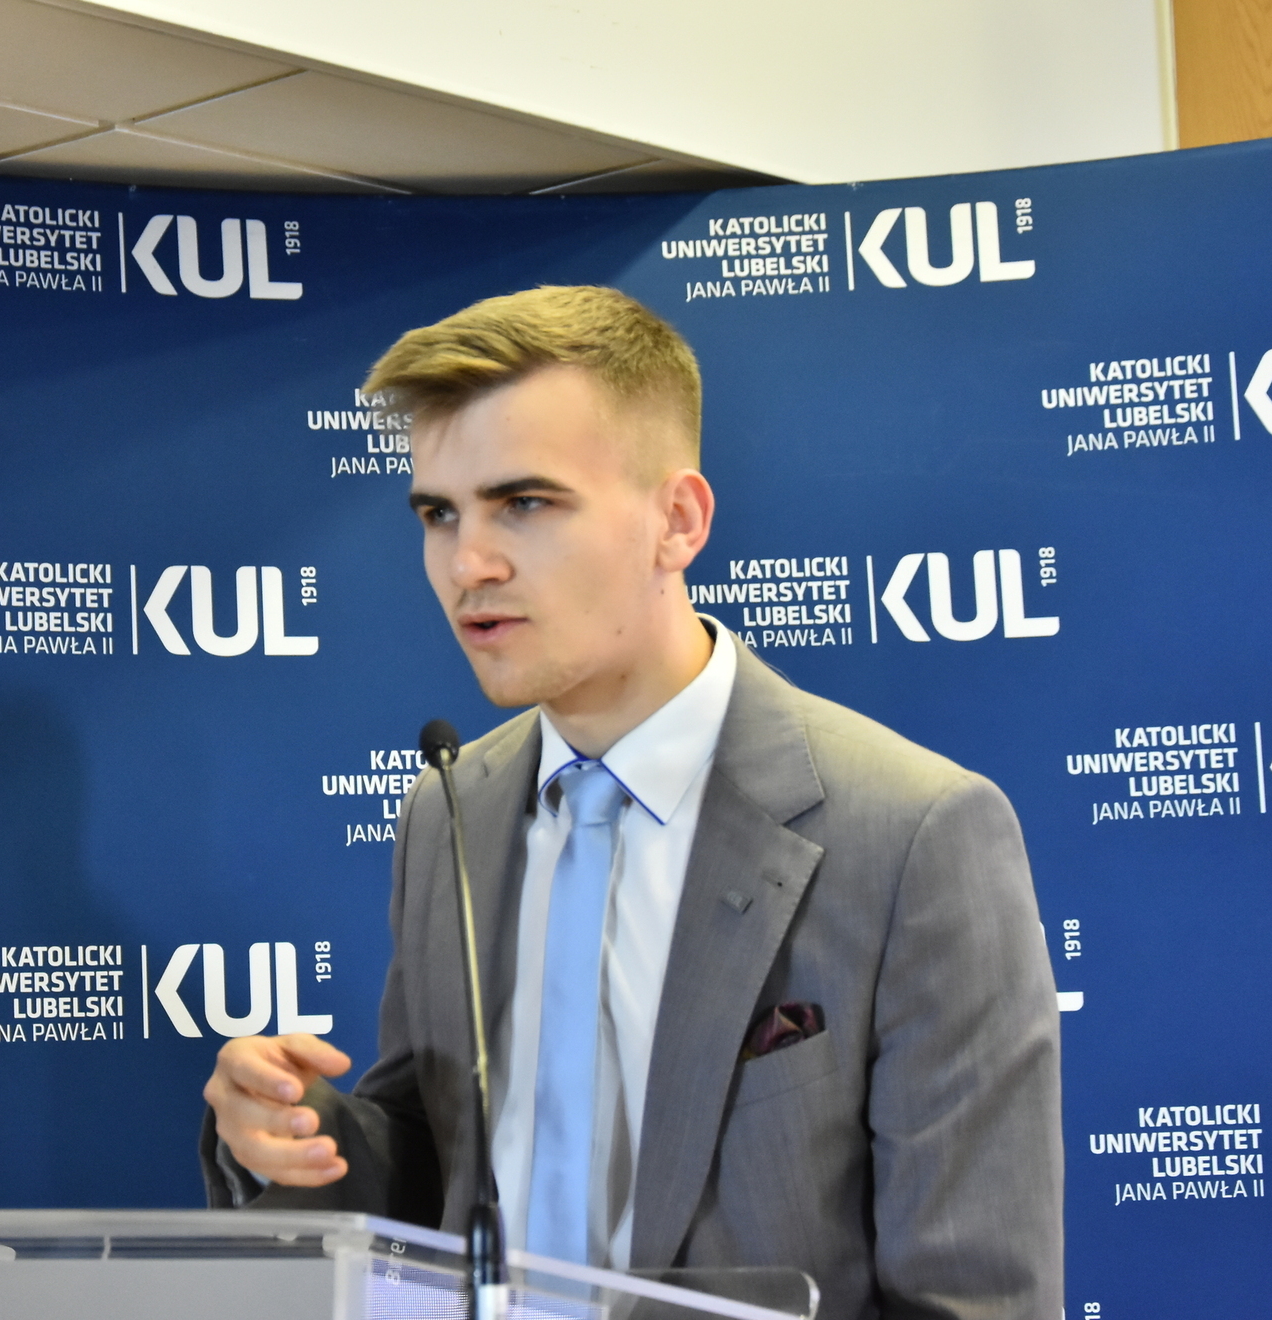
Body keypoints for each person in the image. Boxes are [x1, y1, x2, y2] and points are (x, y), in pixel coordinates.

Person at [200, 286, 1063, 1318]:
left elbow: (975, 1300)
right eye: (440, 513)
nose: (468, 564)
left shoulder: (915, 834)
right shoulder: (449, 810)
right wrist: (298, 1134)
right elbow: (440, 1171)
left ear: (677, 521)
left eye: (525, 503)